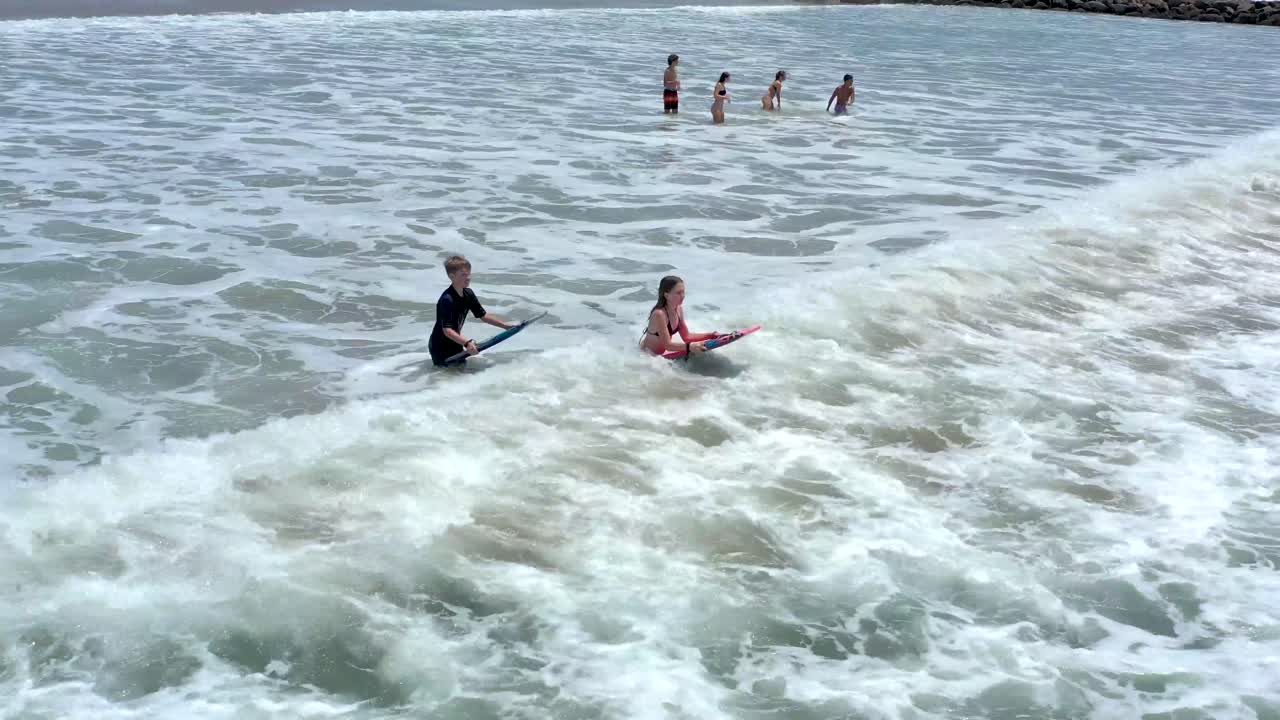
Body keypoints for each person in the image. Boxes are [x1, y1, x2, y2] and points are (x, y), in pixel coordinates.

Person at [428, 255, 513, 366]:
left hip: (456, 343)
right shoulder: (447, 299)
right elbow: (447, 330)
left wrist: (506, 326)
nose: (468, 277)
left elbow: (483, 315)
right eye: (463, 275)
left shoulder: (468, 294)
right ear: (452, 276)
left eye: (469, 274)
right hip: (440, 347)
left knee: (461, 374)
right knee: (445, 378)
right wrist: (467, 343)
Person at [639, 275, 718, 357]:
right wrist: (689, 347)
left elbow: (687, 337)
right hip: (646, 357)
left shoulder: (678, 309)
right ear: (666, 295)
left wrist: (711, 335)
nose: (683, 295)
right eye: (678, 293)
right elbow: (668, 346)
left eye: (683, 292)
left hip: (659, 357)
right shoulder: (659, 314)